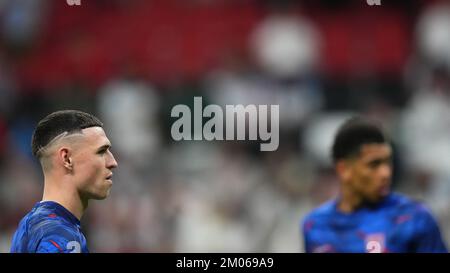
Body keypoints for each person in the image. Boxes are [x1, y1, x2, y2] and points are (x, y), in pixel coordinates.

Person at [302, 117, 447, 253]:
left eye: (387, 162)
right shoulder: (315, 225)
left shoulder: (413, 219)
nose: (385, 173)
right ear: (344, 170)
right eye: (373, 164)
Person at [10, 110, 118, 253]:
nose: (113, 162)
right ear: (67, 159)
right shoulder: (60, 236)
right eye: (101, 151)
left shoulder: (31, 224)